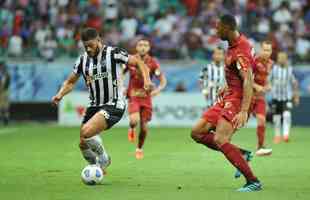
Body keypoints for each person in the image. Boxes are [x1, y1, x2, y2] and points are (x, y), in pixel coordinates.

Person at [52, 28, 153, 173]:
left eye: (91, 45)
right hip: (94, 106)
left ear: (99, 41)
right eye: (85, 45)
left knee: (87, 133)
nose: (88, 48)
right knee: (83, 144)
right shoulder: (82, 60)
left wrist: (147, 80)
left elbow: (138, 62)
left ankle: (104, 159)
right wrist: (60, 94)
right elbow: (70, 82)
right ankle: (95, 168)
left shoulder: (114, 53)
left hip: (114, 104)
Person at [190, 15, 262, 192]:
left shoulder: (240, 51)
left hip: (238, 100)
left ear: (227, 28)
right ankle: (241, 153)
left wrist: (244, 110)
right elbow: (239, 73)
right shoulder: (234, 45)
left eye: (218, 27)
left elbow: (247, 80)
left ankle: (253, 181)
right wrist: (227, 84)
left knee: (220, 139)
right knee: (197, 132)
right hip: (229, 95)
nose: (216, 30)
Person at [121, 39, 167, 159]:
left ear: (149, 48)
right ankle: (131, 128)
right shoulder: (130, 60)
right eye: (140, 45)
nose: (143, 47)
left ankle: (139, 148)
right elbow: (120, 73)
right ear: (136, 47)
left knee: (145, 128)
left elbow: (162, 80)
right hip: (133, 96)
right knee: (134, 121)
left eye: (145, 45)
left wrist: (158, 90)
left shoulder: (152, 63)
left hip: (146, 98)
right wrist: (122, 86)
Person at [270, 51, 299, 143]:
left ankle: (286, 135)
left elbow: (294, 83)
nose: (282, 60)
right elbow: (268, 80)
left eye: (283, 58)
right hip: (276, 97)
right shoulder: (274, 69)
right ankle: (277, 135)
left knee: (287, 115)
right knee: (276, 118)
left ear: (286, 59)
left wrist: (296, 96)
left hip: (286, 97)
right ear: (278, 59)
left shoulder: (289, 70)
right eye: (280, 58)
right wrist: (269, 87)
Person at [252, 41, 274, 156]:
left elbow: (267, 79)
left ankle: (260, 147)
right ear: (260, 50)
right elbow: (245, 78)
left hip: (260, 97)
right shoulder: (254, 61)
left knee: (261, 120)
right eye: (264, 50)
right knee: (237, 122)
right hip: (247, 96)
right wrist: (256, 86)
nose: (266, 52)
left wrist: (268, 85)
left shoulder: (270, 63)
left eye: (268, 50)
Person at [0, 60, 10, 126]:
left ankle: (5, 120)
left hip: (4, 92)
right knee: (4, 107)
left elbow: (4, 84)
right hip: (5, 92)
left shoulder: (5, 74)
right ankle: (5, 120)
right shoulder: (6, 74)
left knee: (4, 107)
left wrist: (1, 89)